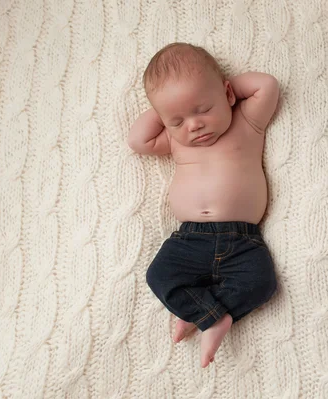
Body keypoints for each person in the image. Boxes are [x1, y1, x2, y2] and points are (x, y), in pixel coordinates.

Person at [127, 42, 279, 368]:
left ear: (227, 95)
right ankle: (211, 315)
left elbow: (266, 85)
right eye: (178, 119)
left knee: (262, 283)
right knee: (160, 276)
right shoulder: (175, 140)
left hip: (243, 240)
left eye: (202, 109)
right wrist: (169, 109)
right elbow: (138, 141)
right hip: (189, 239)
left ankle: (205, 313)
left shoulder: (246, 122)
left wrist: (215, 92)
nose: (194, 125)